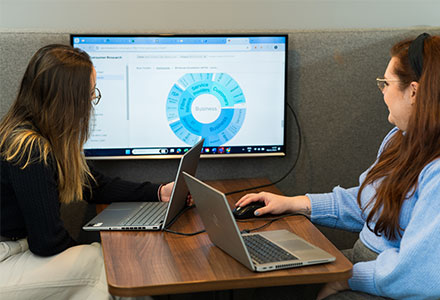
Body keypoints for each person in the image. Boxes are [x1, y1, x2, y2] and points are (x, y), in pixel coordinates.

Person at [236, 33, 440, 300]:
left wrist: (347, 279)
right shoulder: (399, 139)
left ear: (413, 92)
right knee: (269, 280)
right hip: (366, 263)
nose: (382, 91)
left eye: (386, 83)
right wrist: (294, 203)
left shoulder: (435, 172)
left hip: (393, 284)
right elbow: (369, 204)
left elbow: (418, 275)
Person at [0, 44, 174, 299]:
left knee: (105, 264)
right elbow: (47, 241)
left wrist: (158, 192)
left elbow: (94, 185)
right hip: (7, 255)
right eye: (91, 94)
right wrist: (83, 253)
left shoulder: (46, 134)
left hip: (20, 248)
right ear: (70, 101)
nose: (92, 102)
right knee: (103, 267)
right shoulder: (30, 149)